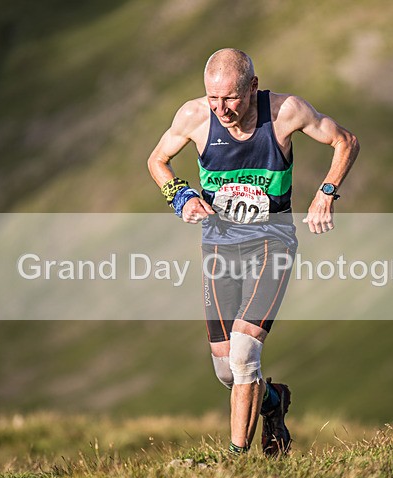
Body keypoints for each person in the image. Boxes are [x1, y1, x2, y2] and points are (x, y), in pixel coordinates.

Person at [147, 48, 359, 456]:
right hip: (218, 247)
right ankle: (274, 401)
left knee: (245, 354)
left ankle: (236, 460)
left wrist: (327, 192)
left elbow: (345, 141)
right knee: (227, 370)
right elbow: (158, 160)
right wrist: (181, 196)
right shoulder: (193, 116)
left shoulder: (286, 112)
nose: (221, 109)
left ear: (253, 88)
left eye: (231, 98)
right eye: (213, 98)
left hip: (271, 243)